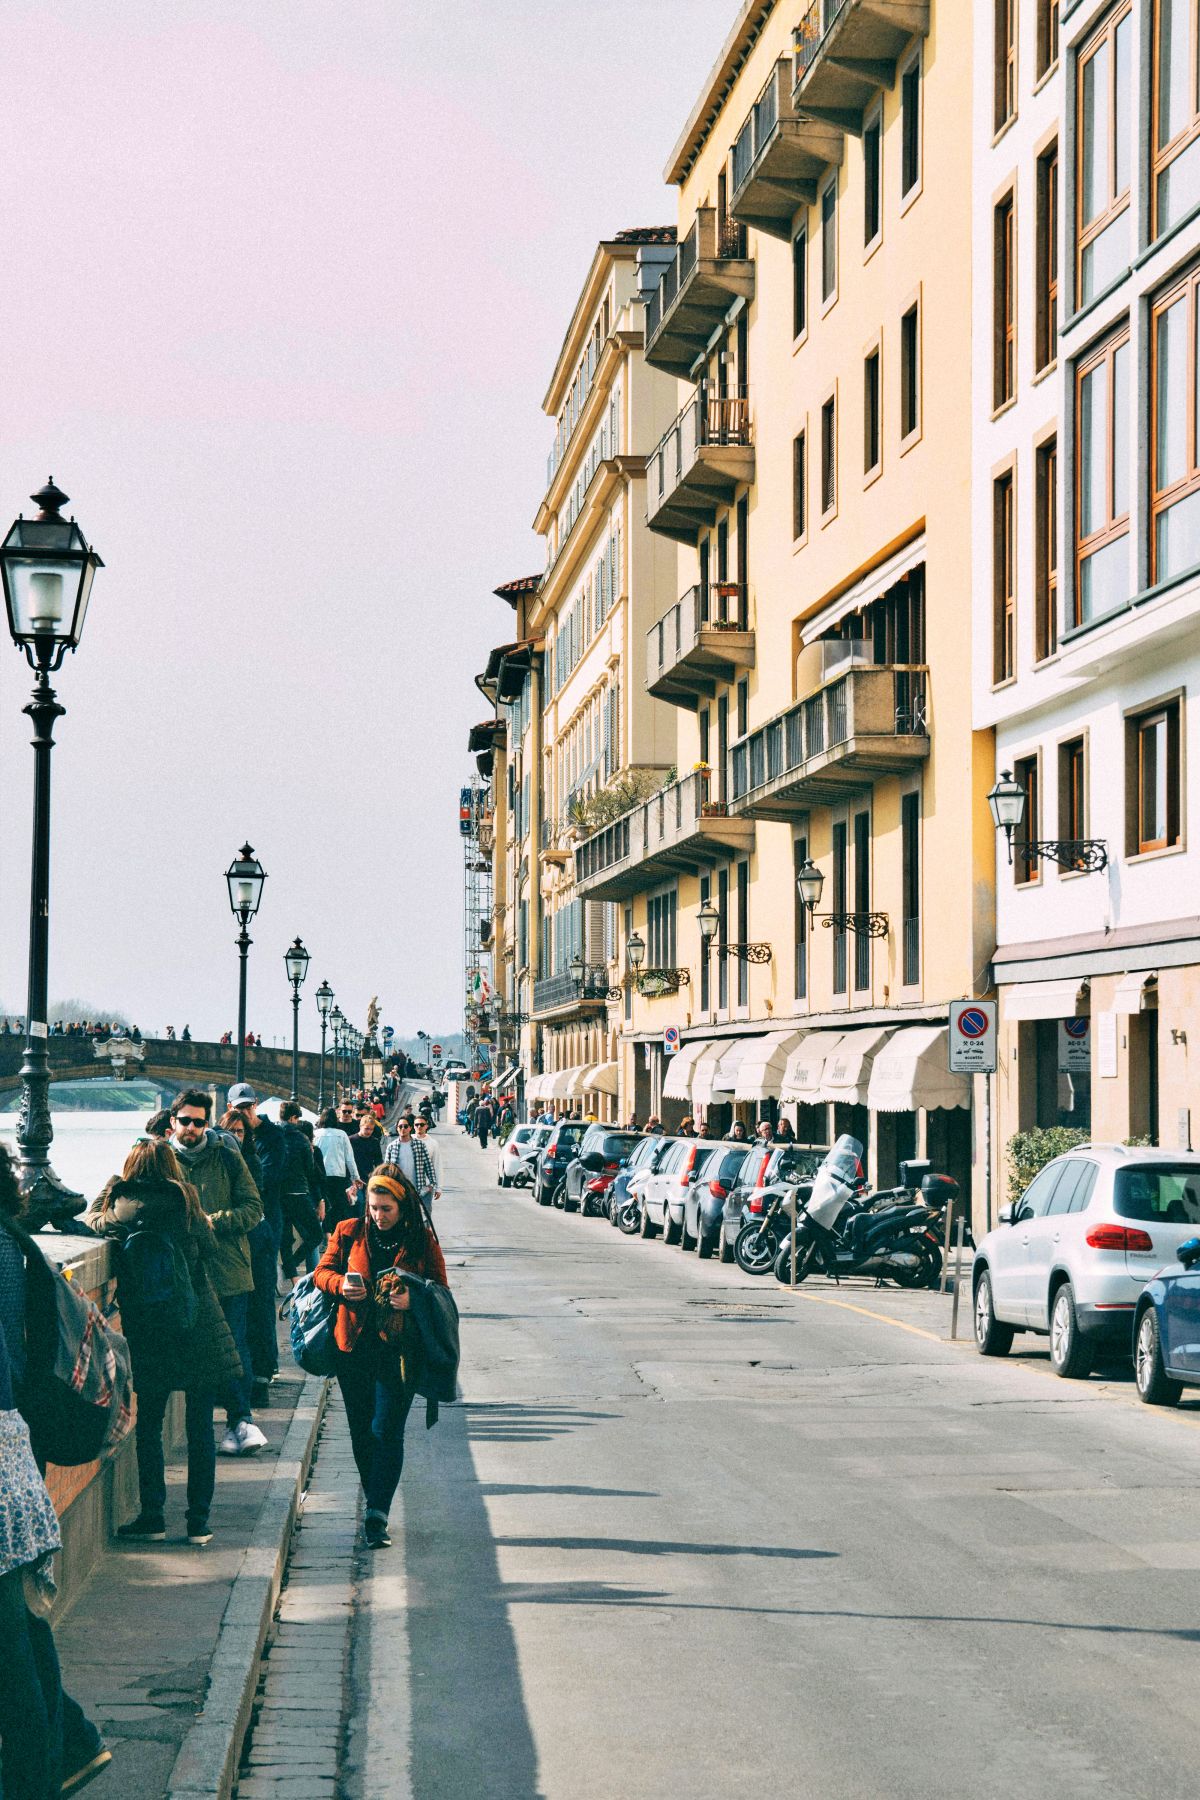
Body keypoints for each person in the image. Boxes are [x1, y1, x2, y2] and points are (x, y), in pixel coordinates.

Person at [0, 1147, 111, 1797]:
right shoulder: (17, 1246)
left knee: (11, 1649)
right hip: (20, 1447)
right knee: (18, 1622)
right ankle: (72, 1739)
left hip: (6, 1451)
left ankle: (42, 1768)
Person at [90, 1138, 242, 1547]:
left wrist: (114, 1184)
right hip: (196, 1323)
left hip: (149, 1326)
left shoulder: (123, 1205)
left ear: (131, 1168)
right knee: (199, 1428)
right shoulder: (187, 1198)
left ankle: (153, 1517)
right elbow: (209, 1250)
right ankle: (198, 1524)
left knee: (150, 1426)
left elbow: (91, 1220)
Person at [314, 1169, 448, 1549]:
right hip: (352, 1348)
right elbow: (321, 1272)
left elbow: (441, 1291)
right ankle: (376, 1500)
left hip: (400, 1351)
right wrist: (341, 1284)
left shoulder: (420, 1239)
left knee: (386, 1429)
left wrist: (413, 1299)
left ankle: (377, 1513)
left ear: (402, 1206)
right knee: (360, 1430)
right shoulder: (348, 1230)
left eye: (386, 1208)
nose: (378, 1215)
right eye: (372, 1207)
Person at [168, 1090, 267, 1458]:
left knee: (233, 1347)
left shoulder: (226, 1155)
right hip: (184, 1275)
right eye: (185, 1121)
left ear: (206, 1123)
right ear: (172, 1122)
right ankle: (223, 1425)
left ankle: (239, 1421)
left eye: (198, 1121)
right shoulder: (162, 1160)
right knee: (195, 1351)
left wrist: (215, 1222)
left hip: (227, 1270)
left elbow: (253, 1208)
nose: (191, 1128)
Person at [227, 1083, 286, 1400]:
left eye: (248, 1108)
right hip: (242, 1228)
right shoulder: (228, 1139)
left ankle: (264, 1372)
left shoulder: (272, 1136)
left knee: (261, 1297)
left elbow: (268, 1178)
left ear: (256, 1105)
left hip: (265, 1224)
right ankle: (244, 1374)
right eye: (238, 1109)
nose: (244, 1114)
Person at [315, 1107, 363, 1230]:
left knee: (324, 1205)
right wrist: (355, 1177)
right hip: (338, 1175)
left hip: (321, 1175)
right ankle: (339, 1233)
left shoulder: (316, 1134)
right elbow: (349, 1159)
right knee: (339, 1207)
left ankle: (326, 1234)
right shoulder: (342, 1135)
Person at [352, 1110, 384, 1185]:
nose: (369, 1132)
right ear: (360, 1126)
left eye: (371, 1129)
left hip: (369, 1178)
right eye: (366, 1128)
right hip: (354, 1179)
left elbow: (378, 1161)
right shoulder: (351, 1140)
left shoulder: (374, 1141)